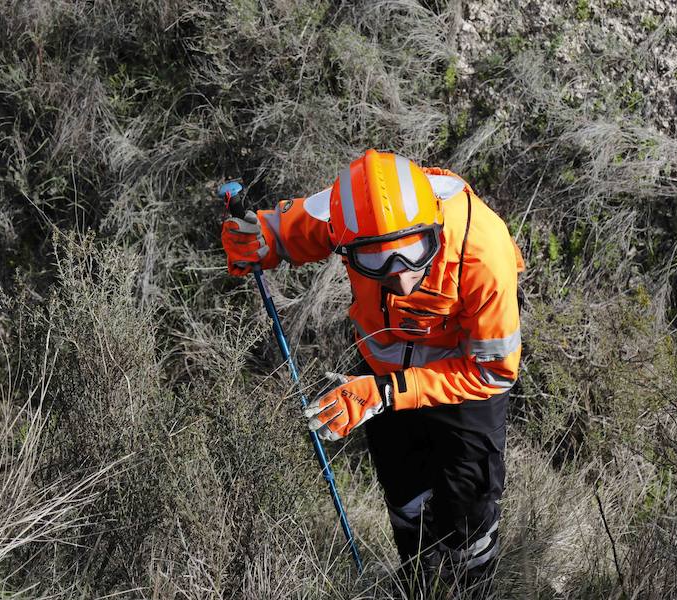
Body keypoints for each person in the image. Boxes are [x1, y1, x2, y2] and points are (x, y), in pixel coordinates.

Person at [221, 149, 523, 595]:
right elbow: (290, 228)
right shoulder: (348, 214)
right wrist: (261, 237)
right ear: (345, 243)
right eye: (375, 263)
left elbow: (494, 372)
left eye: (412, 252)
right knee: (405, 497)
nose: (399, 278)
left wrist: (387, 391)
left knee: (468, 513)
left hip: (463, 386)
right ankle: (418, 586)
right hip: (379, 378)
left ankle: (472, 589)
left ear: (435, 225)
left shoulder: (483, 247)